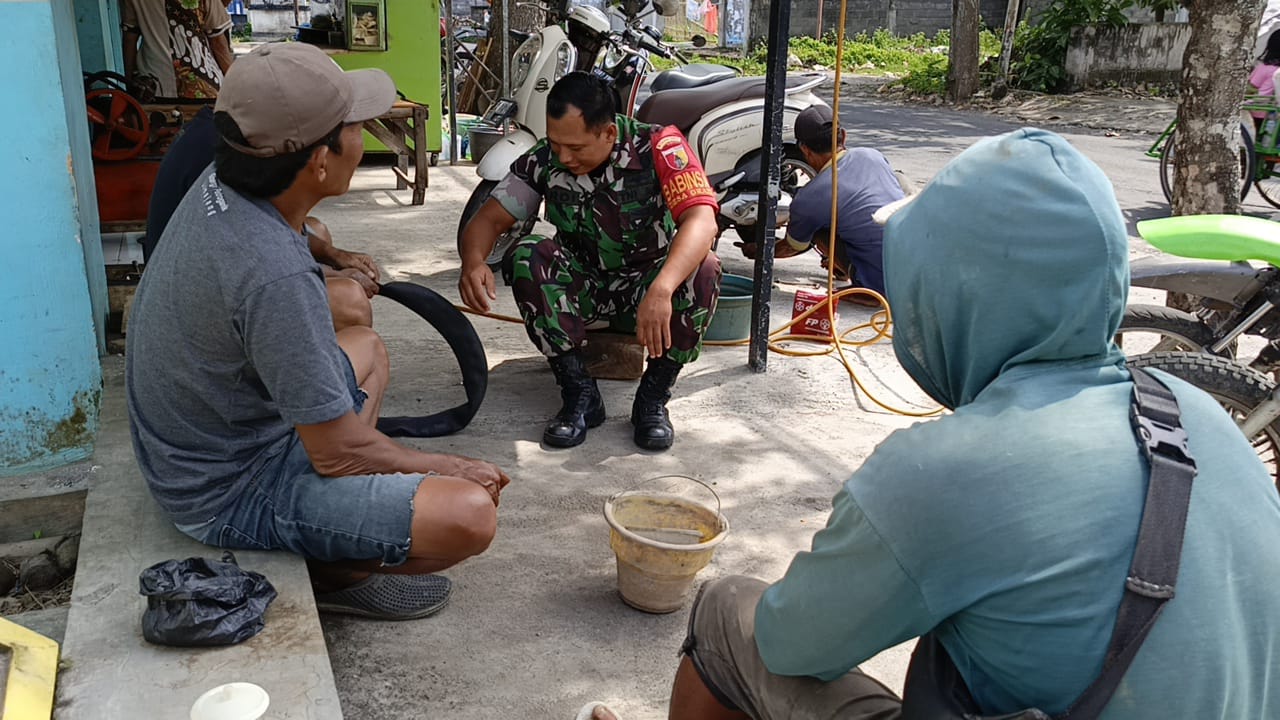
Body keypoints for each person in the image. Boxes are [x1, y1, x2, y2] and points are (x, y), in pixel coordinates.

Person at [583, 129, 1280, 719]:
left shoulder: (949, 469)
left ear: (953, 294)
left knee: (729, 610)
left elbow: (791, 644)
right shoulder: (1196, 415)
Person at [126, 43, 511, 621]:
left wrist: (329, 251)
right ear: (320, 163)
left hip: (196, 445)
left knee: (367, 347)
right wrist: (452, 467)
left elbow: (294, 240)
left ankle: (337, 525)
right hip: (225, 490)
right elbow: (336, 454)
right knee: (469, 511)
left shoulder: (227, 177)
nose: (366, 134)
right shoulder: (273, 275)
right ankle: (335, 571)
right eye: (354, 125)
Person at [458, 72, 721, 451]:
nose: (564, 157)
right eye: (557, 144)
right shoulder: (546, 159)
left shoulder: (659, 146)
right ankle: (579, 394)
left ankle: (653, 400)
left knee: (706, 268)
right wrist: (473, 260)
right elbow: (488, 220)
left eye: (576, 148)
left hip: (647, 291)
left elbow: (702, 219)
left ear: (609, 133)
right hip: (585, 290)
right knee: (529, 253)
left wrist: (662, 289)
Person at [144, 105, 380, 331]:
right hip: (198, 303)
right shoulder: (227, 153)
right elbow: (255, 259)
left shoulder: (223, 136)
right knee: (355, 311)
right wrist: (328, 273)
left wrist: (333, 255)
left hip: (197, 275)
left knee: (317, 230)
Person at [738, 105, 904, 308]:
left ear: (805, 149)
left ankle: (869, 291)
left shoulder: (810, 197)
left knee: (819, 232)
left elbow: (793, 247)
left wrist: (760, 251)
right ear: (844, 135)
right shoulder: (873, 155)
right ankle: (847, 270)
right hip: (915, 267)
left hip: (885, 284)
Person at [122, 0, 235, 100]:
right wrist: (236, 86)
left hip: (154, 87)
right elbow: (219, 44)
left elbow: (129, 39)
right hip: (201, 87)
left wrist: (130, 83)